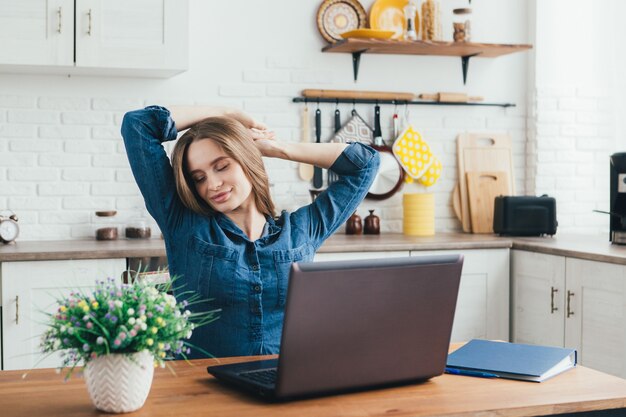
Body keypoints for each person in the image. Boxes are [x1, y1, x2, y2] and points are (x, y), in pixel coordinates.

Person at [121, 105, 380, 358]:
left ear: (247, 159)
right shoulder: (184, 225)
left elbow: (365, 164)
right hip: (199, 388)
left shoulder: (301, 232)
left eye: (222, 166)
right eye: (199, 178)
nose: (212, 184)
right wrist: (224, 114)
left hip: (279, 382)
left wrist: (277, 149)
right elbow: (138, 125)